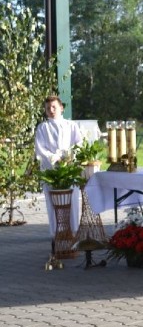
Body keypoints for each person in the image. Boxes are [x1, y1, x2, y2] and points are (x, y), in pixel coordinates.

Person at [34, 95, 84, 236]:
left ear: (61, 108)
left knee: (72, 200)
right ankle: (57, 233)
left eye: (54, 107)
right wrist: (54, 158)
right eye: (48, 108)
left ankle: (73, 232)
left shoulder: (71, 125)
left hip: (69, 169)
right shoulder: (43, 127)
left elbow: (79, 143)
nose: (51, 110)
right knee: (53, 202)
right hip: (51, 171)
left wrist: (68, 156)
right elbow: (40, 148)